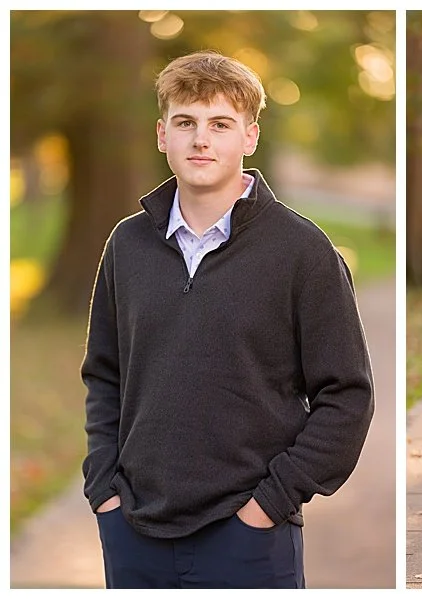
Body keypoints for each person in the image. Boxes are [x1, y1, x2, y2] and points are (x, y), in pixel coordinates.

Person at [81, 50, 375, 589]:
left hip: (249, 537)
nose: (201, 140)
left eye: (220, 124)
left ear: (250, 137)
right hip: (133, 531)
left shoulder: (302, 251)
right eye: (186, 122)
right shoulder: (128, 245)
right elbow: (104, 374)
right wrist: (104, 488)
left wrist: (270, 504)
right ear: (161, 133)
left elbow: (347, 394)